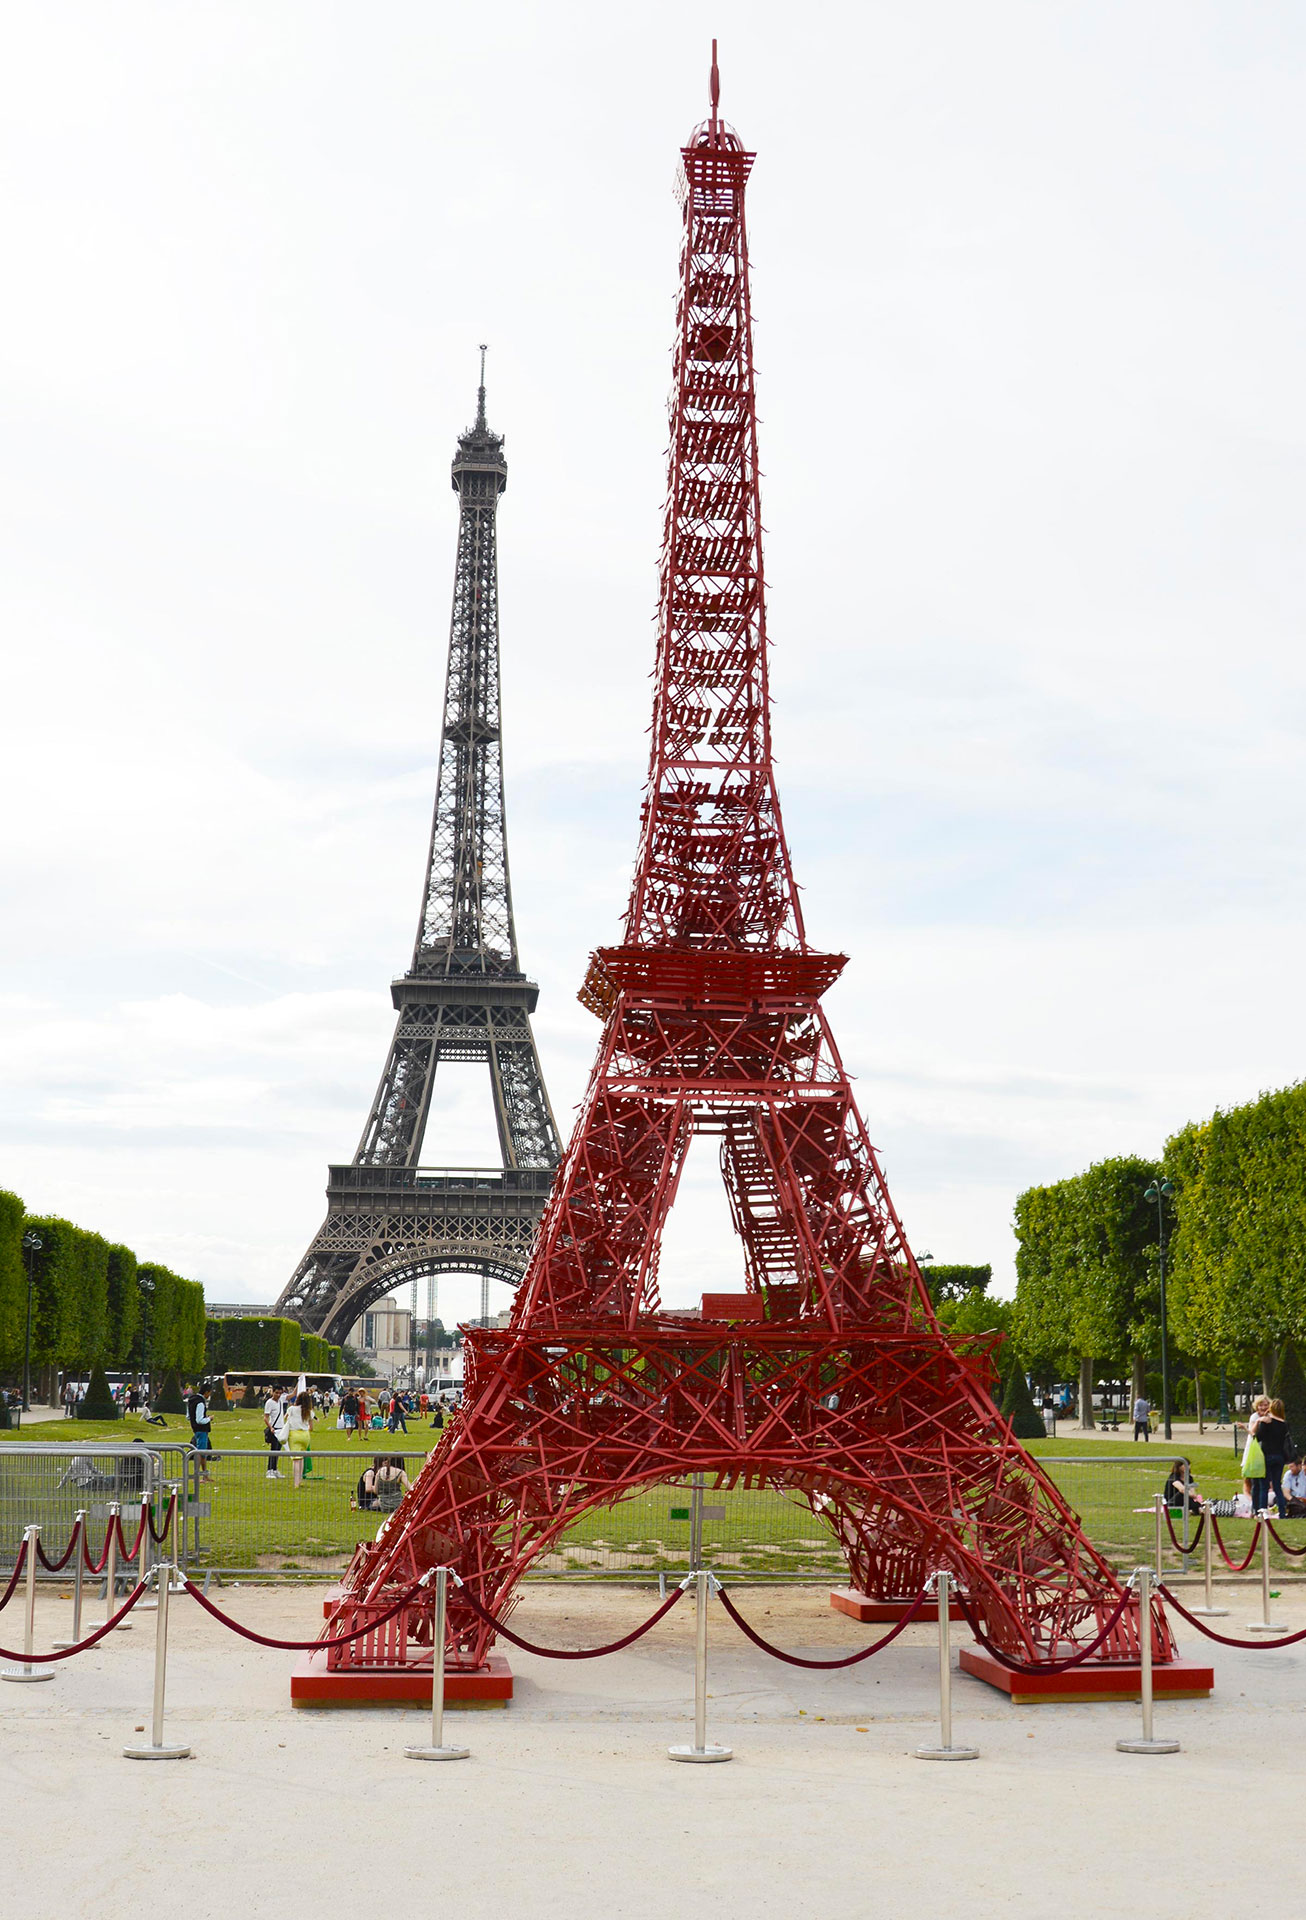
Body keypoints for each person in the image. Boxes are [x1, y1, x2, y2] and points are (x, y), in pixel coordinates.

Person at [1256, 1397, 1291, 1518]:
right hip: (1279, 1456)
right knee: (1277, 1485)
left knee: (1264, 1486)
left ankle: (1262, 1511)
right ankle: (1282, 1512)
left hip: (1267, 1456)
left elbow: (1258, 1437)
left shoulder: (1267, 1422)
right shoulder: (1284, 1424)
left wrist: (1261, 1421)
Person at [285, 1390, 313, 1488]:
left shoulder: (292, 1409)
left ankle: (296, 1483)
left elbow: (286, 1418)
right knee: (301, 1458)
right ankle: (300, 1480)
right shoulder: (309, 1412)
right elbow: (311, 1427)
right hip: (305, 1435)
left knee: (296, 1460)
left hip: (294, 1434)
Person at [187, 1382, 214, 1480]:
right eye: (209, 1393)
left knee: (202, 1453)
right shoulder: (200, 1403)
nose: (209, 1395)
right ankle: (199, 1475)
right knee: (201, 1452)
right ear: (206, 1392)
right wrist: (209, 1418)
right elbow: (200, 1420)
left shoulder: (191, 1400)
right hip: (202, 1430)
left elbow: (188, 1416)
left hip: (195, 1429)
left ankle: (204, 1475)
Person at [264, 1386, 287, 1479]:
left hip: (281, 1429)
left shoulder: (281, 1400)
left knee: (278, 1450)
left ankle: (275, 1469)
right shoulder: (269, 1403)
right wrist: (271, 1427)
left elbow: (292, 1395)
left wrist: (300, 1381)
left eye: (280, 1393)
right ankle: (269, 1470)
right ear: (272, 1392)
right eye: (276, 1393)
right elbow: (265, 1417)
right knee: (273, 1450)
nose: (278, 1395)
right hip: (274, 1429)